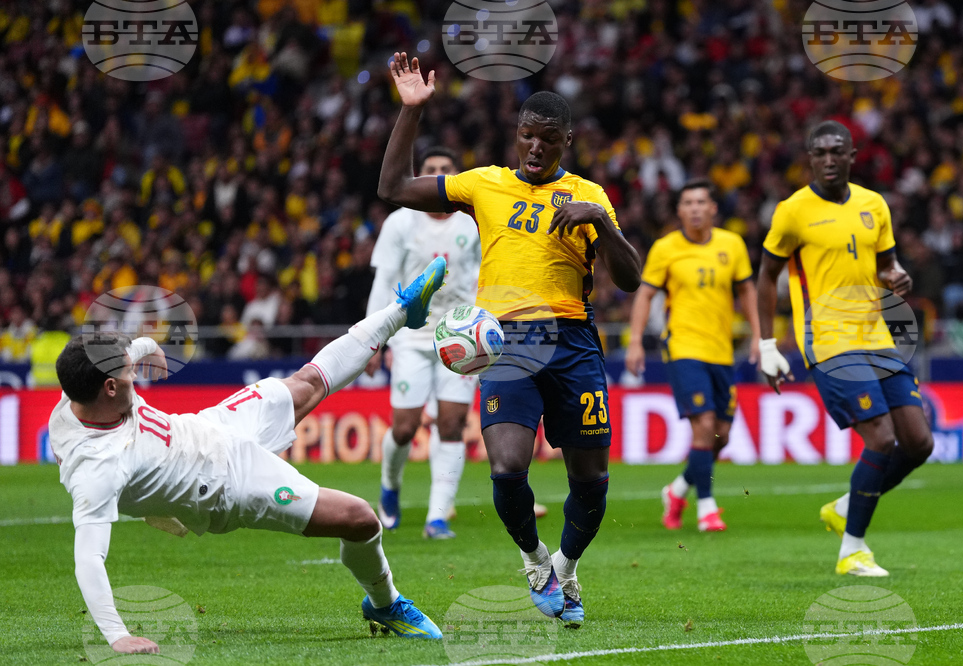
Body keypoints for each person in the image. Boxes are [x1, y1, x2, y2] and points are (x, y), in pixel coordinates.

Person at [51, 259, 449, 655]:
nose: (133, 375)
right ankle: (385, 603)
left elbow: (127, 353)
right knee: (360, 519)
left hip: (210, 427)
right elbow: (88, 557)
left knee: (306, 382)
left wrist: (146, 347)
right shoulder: (96, 467)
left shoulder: (86, 387)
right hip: (226, 485)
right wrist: (117, 635)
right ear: (107, 388)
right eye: (127, 374)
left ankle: (402, 312)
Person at [378, 52, 642, 628]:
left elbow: (630, 277)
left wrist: (599, 220)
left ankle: (568, 567)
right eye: (527, 136)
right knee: (505, 466)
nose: (535, 147)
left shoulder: (588, 194)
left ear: (566, 141)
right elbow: (394, 186)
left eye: (548, 139)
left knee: (591, 480)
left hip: (572, 338)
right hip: (508, 341)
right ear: (516, 135)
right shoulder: (485, 186)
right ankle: (535, 561)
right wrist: (411, 113)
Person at [756, 120, 934, 577]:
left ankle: (845, 506)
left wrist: (896, 276)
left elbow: (887, 264)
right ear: (810, 158)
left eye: (838, 151)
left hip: (876, 336)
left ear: (853, 155)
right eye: (820, 152)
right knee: (880, 436)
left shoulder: (874, 205)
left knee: (918, 443)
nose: (829, 159)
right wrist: (767, 344)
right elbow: (766, 276)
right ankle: (852, 549)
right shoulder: (793, 211)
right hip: (829, 339)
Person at [625, 179, 759, 532]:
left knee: (722, 436)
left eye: (702, 202)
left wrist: (759, 335)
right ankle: (707, 509)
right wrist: (636, 340)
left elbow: (746, 289)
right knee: (703, 428)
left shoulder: (733, 244)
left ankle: (678, 490)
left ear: (714, 208)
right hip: (683, 347)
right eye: (688, 203)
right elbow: (645, 295)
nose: (695, 208)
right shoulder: (666, 248)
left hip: (721, 350)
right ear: (680, 210)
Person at [364, 146, 481, 540]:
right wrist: (372, 336)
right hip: (411, 337)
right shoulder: (400, 222)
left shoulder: (473, 223)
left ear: (453, 176)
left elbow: (485, 280)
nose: (436, 175)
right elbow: (383, 281)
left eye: (444, 170)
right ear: (419, 177)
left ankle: (437, 518)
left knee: (452, 425)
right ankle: (390, 487)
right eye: (428, 170)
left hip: (460, 337)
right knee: (404, 428)